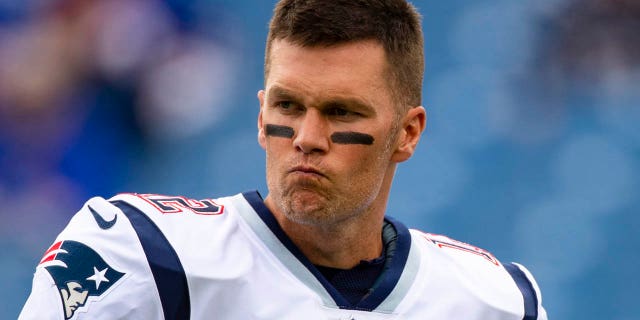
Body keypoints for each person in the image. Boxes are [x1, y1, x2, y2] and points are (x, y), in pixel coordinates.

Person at [20, 0, 548, 319]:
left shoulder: (495, 301)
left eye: (342, 113)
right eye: (288, 106)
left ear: (407, 134)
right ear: (259, 115)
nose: (307, 137)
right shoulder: (138, 255)